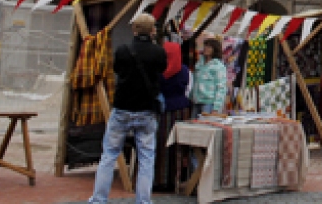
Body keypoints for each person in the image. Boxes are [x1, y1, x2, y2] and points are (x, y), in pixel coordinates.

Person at [88, 13, 167, 204]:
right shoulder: (158, 52)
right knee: (146, 158)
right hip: (147, 110)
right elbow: (162, 70)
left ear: (134, 29)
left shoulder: (123, 50)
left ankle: (99, 199)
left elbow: (117, 70)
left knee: (109, 154)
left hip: (122, 108)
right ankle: (143, 201)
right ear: (152, 31)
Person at [155, 41, 190, 191]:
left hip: (164, 111)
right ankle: (176, 180)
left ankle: (160, 180)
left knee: (162, 145)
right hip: (182, 110)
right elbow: (188, 88)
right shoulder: (184, 70)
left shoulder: (158, 70)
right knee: (178, 145)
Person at [191, 38, 227, 116]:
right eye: (205, 46)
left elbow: (221, 88)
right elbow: (194, 82)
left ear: (215, 49)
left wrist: (216, 108)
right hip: (196, 101)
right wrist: (191, 97)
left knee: (205, 126)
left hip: (209, 103)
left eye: (209, 47)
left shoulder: (218, 66)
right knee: (194, 126)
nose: (205, 48)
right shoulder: (199, 64)